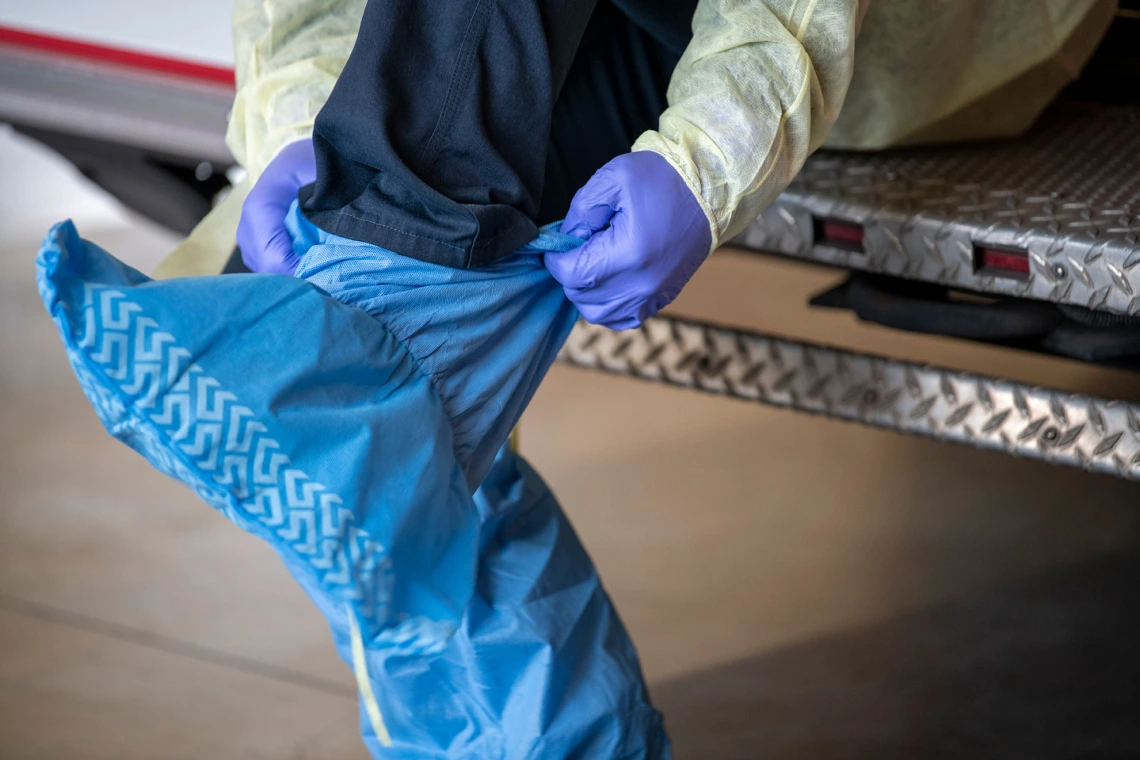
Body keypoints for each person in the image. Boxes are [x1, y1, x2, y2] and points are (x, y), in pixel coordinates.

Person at [234, 0, 1116, 328]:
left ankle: (381, 287)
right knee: (423, 334)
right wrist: (296, 115)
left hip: (918, 36)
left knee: (404, 296)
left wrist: (710, 157)